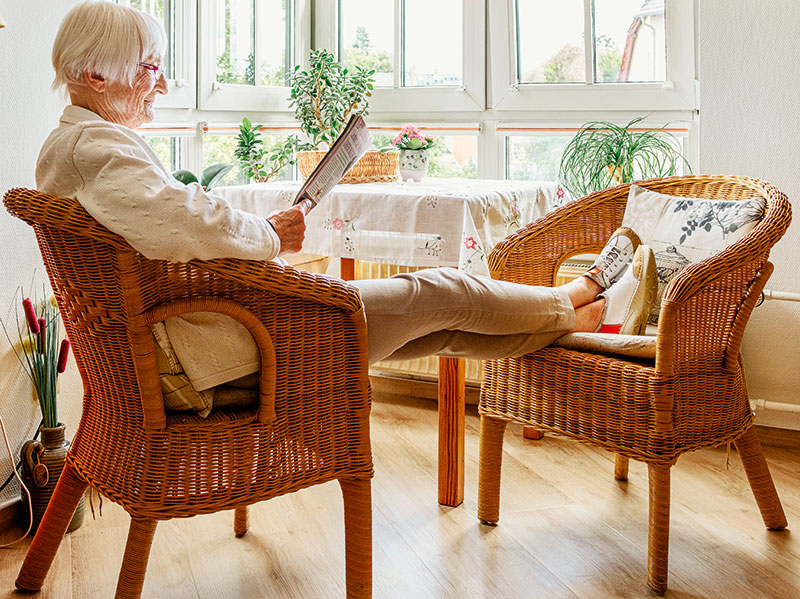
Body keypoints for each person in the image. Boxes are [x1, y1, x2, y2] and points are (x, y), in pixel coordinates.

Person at [36, 1, 657, 414]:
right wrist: (269, 234)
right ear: (97, 75)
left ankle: (580, 316)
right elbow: (178, 221)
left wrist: (260, 235)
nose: (163, 84)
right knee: (439, 291)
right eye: (150, 68)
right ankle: (580, 295)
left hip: (203, 341)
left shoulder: (85, 147)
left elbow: (166, 218)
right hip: (209, 352)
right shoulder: (94, 148)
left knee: (437, 324)